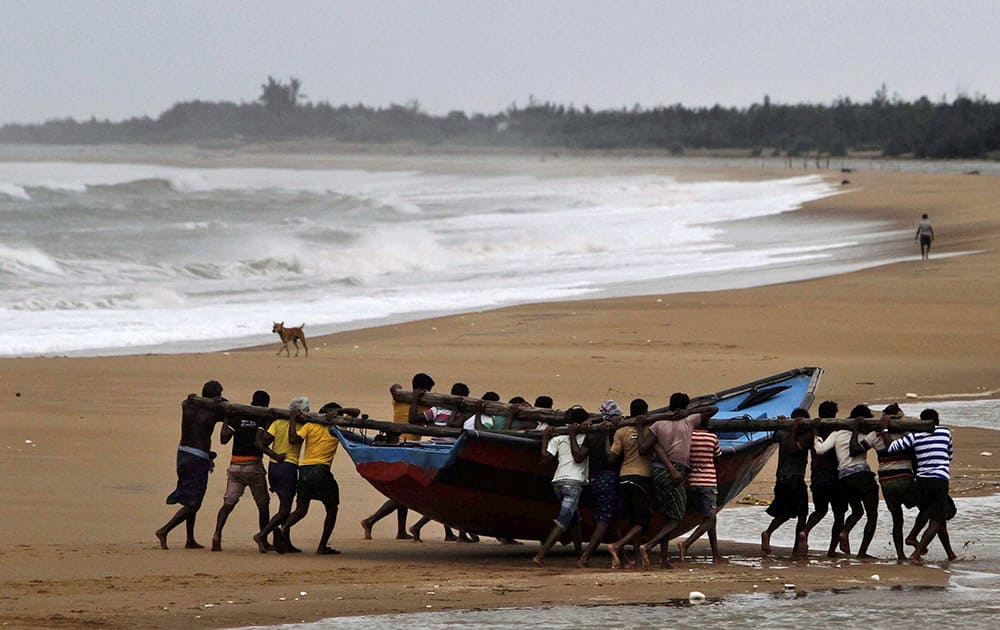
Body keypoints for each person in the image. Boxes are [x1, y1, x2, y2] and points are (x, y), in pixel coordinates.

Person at [637, 392, 718, 568]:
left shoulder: (658, 423)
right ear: (685, 407)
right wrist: (688, 413)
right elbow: (713, 408)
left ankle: (664, 559)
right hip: (673, 472)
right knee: (677, 517)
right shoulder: (689, 421)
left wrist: (638, 427)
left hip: (657, 471)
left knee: (667, 515)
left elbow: (643, 448)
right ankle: (649, 546)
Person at [280, 398, 360, 555]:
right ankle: (322, 546)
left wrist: (292, 419)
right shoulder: (335, 427)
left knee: (301, 509)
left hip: (304, 470)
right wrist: (340, 413)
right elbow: (356, 412)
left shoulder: (310, 425)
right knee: (331, 508)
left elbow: (293, 439)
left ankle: (284, 529)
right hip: (321, 470)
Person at [361, 373, 434, 540]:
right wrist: (417, 397)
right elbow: (420, 419)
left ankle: (400, 531)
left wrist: (412, 393)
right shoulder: (423, 406)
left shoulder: (399, 399)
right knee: (403, 494)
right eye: (428, 389)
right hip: (405, 449)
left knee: (402, 490)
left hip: (397, 447)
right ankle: (370, 521)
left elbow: (394, 386)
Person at [210, 390, 285, 552]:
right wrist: (275, 455)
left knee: (228, 503)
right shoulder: (262, 417)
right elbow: (261, 443)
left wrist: (227, 417)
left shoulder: (238, 416)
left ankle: (217, 534)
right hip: (253, 467)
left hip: (235, 466)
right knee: (263, 504)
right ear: (265, 404)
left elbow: (223, 439)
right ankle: (263, 540)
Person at [156, 380, 226, 550]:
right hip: (197, 457)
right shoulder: (212, 411)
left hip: (182, 453)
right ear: (215, 395)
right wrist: (222, 403)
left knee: (190, 497)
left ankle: (190, 539)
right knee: (194, 502)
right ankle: (164, 530)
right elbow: (228, 413)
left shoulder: (188, 405)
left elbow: (185, 402)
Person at [885, 408, 956, 564]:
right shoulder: (945, 432)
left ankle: (950, 554)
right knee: (937, 519)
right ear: (937, 421)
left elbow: (892, 448)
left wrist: (884, 430)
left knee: (936, 515)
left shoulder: (914, 435)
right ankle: (916, 553)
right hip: (939, 479)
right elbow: (950, 455)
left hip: (922, 480)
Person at [813, 404, 880, 560]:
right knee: (871, 515)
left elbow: (820, 450)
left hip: (844, 478)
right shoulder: (866, 435)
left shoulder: (837, 433)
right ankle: (859, 548)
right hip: (862, 475)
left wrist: (815, 432)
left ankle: (844, 533)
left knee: (857, 511)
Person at [857, 403, 920, 563]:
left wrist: (856, 429)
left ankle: (900, 556)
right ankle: (914, 538)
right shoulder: (907, 434)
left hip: (886, 480)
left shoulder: (874, 435)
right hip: (904, 477)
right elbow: (914, 454)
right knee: (926, 508)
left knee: (897, 519)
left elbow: (857, 449)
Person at [533, 407, 590, 567]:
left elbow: (545, 458)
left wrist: (545, 438)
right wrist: (572, 434)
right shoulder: (586, 437)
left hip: (558, 482)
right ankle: (540, 555)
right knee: (563, 521)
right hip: (573, 482)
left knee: (575, 520)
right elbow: (578, 457)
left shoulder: (557, 437)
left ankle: (580, 554)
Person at [607, 398, 655, 569]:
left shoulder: (621, 431)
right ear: (646, 412)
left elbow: (612, 457)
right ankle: (617, 545)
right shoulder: (650, 430)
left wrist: (607, 436)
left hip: (623, 477)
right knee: (642, 521)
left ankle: (637, 558)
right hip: (641, 478)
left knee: (633, 520)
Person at [797, 401, 849, 557]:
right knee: (839, 514)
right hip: (834, 476)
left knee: (820, 510)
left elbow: (799, 446)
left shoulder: (814, 431)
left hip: (817, 476)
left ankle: (805, 531)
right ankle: (832, 550)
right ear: (834, 414)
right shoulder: (837, 431)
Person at [254, 396, 305, 553]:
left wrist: (273, 455)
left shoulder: (277, 423)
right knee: (285, 510)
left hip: (274, 468)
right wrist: (292, 420)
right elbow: (292, 440)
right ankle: (262, 535)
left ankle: (285, 541)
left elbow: (263, 442)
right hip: (287, 468)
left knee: (285, 508)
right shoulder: (301, 425)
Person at [577, 400, 624, 568]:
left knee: (614, 520)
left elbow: (580, 455)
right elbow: (611, 456)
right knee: (604, 521)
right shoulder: (614, 434)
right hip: (609, 480)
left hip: (595, 480)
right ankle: (585, 557)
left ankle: (622, 557)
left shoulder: (592, 434)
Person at [760, 408, 812, 558]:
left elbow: (774, 436)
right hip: (793, 479)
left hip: (782, 479)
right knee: (801, 515)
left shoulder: (783, 433)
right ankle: (796, 549)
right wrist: (793, 429)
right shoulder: (798, 436)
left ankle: (768, 533)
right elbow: (792, 449)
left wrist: (781, 425)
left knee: (786, 513)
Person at [677, 422, 723, 563]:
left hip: (692, 482)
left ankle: (716, 555)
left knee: (708, 519)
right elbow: (717, 457)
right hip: (708, 482)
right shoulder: (712, 437)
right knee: (710, 518)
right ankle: (686, 544)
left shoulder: (688, 438)